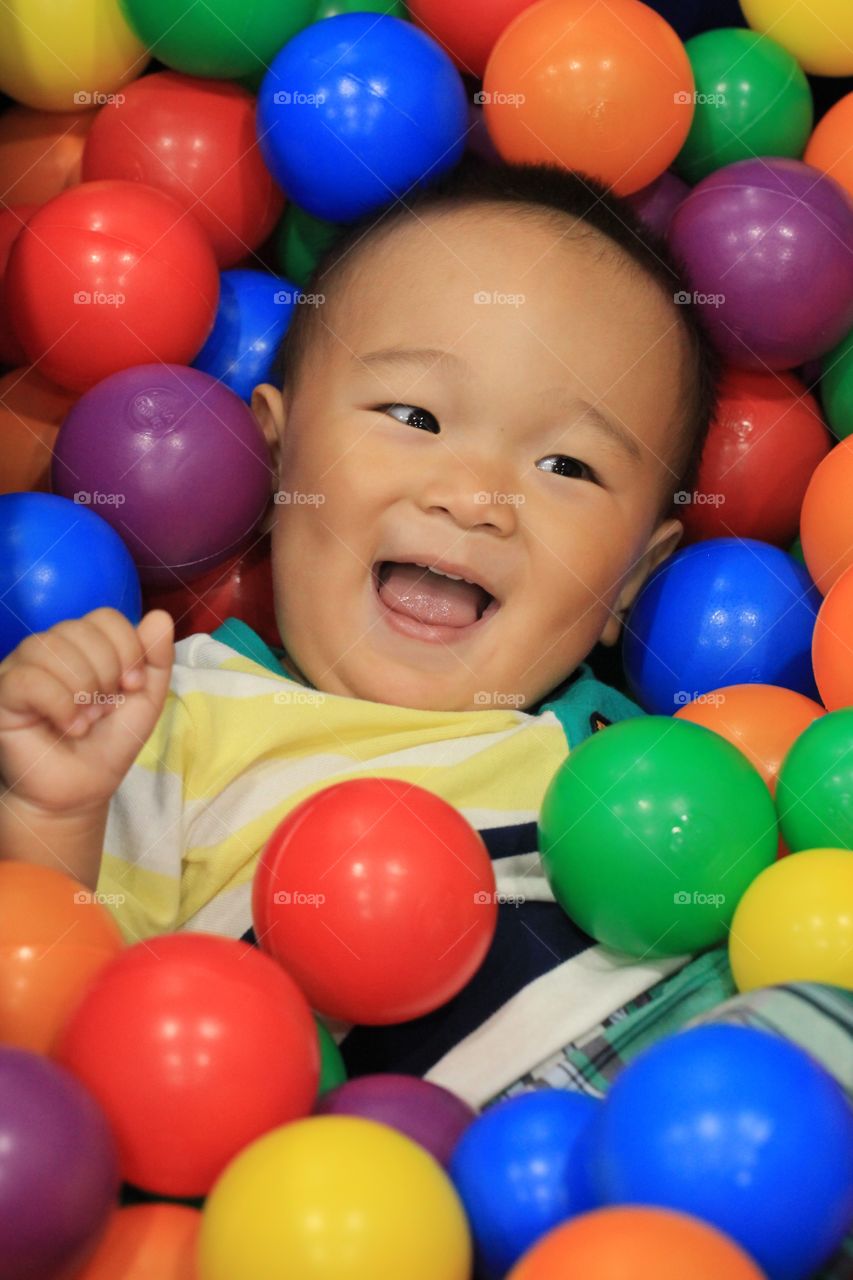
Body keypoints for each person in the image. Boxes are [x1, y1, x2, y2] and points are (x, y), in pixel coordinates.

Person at [0, 155, 730, 1106]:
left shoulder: (632, 760)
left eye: (566, 464)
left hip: (691, 1084)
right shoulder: (164, 712)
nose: (474, 499)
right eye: (412, 415)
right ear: (277, 451)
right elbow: (70, 1007)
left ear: (632, 574)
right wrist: (57, 814)